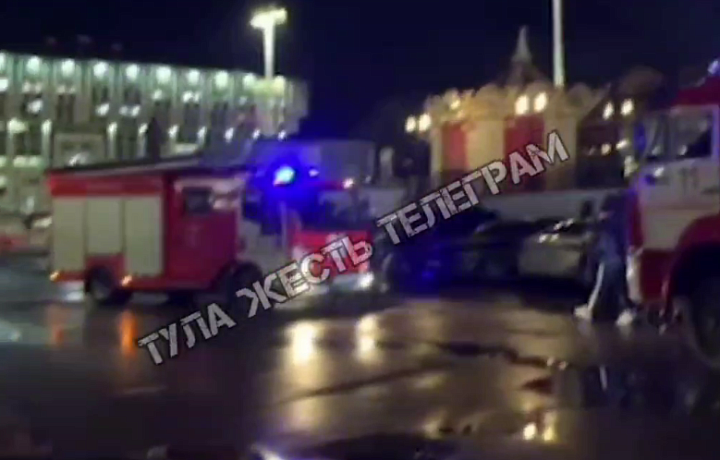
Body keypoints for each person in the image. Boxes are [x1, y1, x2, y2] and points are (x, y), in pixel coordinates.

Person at [574, 192, 637, 326]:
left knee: (602, 288)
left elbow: (591, 238)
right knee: (619, 288)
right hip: (619, 259)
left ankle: (592, 310)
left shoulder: (605, 222)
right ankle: (626, 312)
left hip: (609, 259)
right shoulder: (622, 220)